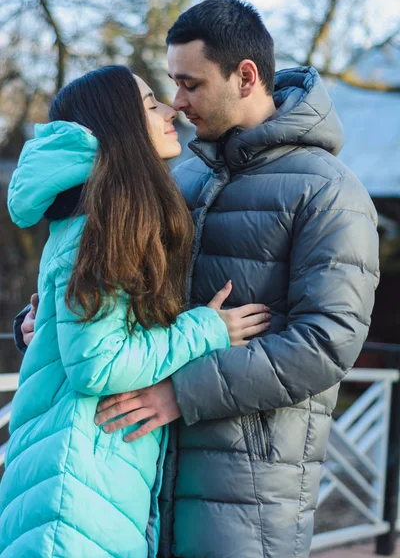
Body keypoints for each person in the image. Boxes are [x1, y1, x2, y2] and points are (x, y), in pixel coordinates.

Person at [15, 0, 380, 558]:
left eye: (190, 84)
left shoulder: (330, 192)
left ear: (246, 77)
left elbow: (325, 343)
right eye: (170, 85)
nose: (178, 103)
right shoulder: (178, 180)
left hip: (247, 489)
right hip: (139, 476)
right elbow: (119, 300)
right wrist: (50, 322)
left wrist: (179, 393)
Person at [1, 65, 271, 558]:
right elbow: (99, 363)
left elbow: (77, 324)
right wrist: (205, 328)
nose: (171, 109)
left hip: (80, 473)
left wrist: (36, 330)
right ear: (119, 128)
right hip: (76, 486)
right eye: (150, 105)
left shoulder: (91, 213)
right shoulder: (103, 223)